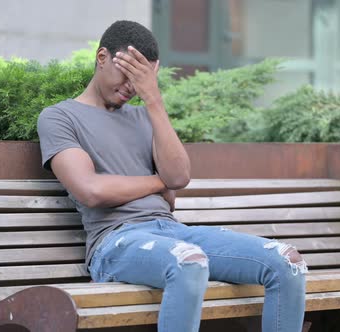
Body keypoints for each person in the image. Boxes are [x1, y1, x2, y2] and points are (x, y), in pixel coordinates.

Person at [37, 20, 307, 332]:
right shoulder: (59, 117)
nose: (131, 87)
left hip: (172, 232)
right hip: (114, 242)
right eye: (129, 74)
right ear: (102, 58)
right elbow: (91, 190)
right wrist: (158, 182)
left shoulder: (144, 116)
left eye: (143, 79)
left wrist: (153, 100)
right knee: (188, 261)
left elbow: (179, 176)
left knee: (287, 263)